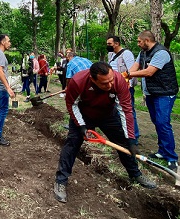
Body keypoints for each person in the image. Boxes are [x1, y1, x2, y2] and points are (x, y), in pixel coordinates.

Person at [53, 62, 157, 203]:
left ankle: (135, 174)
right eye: (104, 83)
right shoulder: (78, 82)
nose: (109, 85)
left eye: (111, 80)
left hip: (108, 114)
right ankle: (61, 181)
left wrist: (131, 139)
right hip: (84, 115)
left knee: (124, 143)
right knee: (72, 144)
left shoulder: (118, 80)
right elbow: (72, 104)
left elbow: (126, 111)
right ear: (93, 79)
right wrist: (82, 126)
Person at [128, 30, 179, 172]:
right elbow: (136, 66)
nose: (138, 44)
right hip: (151, 93)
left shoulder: (161, 53)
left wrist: (128, 74)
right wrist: (126, 76)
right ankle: (162, 151)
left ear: (147, 40)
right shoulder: (143, 53)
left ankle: (171, 157)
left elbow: (149, 72)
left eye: (139, 41)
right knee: (157, 121)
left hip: (164, 93)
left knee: (163, 123)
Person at [107, 35, 140, 145]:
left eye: (109, 44)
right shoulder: (110, 54)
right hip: (113, 87)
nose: (108, 46)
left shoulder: (127, 54)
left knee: (128, 111)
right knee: (116, 110)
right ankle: (122, 133)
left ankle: (133, 137)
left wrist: (128, 84)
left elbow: (132, 70)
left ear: (116, 44)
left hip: (125, 87)